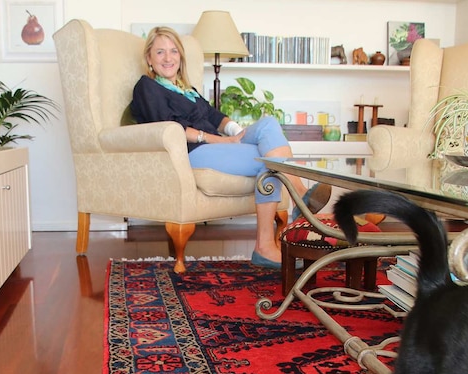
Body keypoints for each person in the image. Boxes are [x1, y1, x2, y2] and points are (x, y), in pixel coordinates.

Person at [130, 26, 330, 269]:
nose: (168, 58)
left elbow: (215, 116)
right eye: (160, 52)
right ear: (149, 59)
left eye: (173, 51)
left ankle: (273, 237)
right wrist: (221, 140)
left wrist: (237, 132)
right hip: (193, 153)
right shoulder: (147, 87)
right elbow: (171, 128)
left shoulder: (187, 90)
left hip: (217, 147)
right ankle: (295, 205)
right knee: (269, 159)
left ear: (181, 57)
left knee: (268, 127)